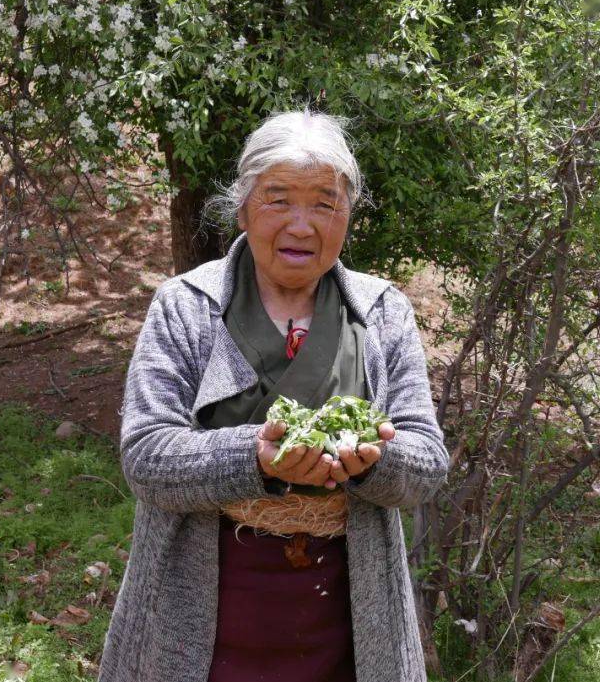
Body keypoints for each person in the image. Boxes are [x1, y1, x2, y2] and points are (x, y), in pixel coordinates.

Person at [97, 108, 449, 682]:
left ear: (349, 215)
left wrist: (376, 460)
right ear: (242, 207)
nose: (302, 225)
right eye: (278, 199)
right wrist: (253, 458)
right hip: (208, 621)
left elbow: (427, 464)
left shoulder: (382, 311)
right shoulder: (187, 306)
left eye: (325, 204)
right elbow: (146, 457)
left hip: (346, 623)